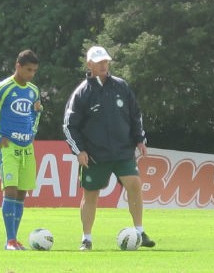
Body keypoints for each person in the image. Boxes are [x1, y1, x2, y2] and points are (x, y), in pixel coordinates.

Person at [63, 45, 156, 251]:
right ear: (90, 65)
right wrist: (79, 150)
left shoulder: (121, 86)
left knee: (135, 184)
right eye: (99, 62)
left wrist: (140, 139)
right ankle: (86, 238)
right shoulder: (82, 92)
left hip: (123, 151)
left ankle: (139, 231)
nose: (104, 65)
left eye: (106, 61)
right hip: (95, 155)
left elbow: (135, 115)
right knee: (91, 195)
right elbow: (69, 125)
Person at [0, 50, 42, 250]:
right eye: (28, 70)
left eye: (34, 71)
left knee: (21, 194)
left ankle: (15, 239)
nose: (31, 74)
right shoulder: (4, 87)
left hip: (26, 148)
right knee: (10, 190)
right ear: (18, 66)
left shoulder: (33, 91)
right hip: (8, 147)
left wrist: (32, 132)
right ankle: (9, 240)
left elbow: (36, 112)